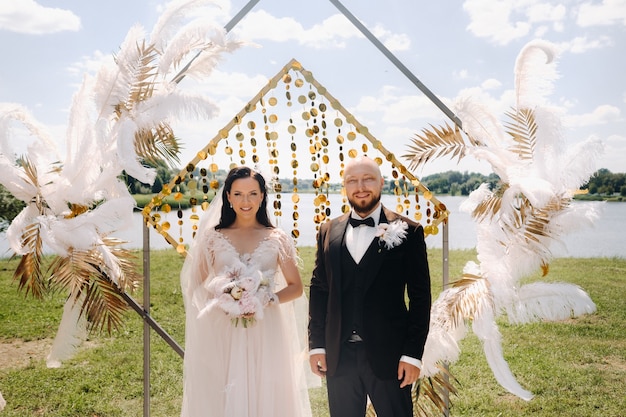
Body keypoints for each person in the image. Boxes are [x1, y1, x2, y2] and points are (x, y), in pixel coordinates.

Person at [180, 166, 313, 417]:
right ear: (228, 197)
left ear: (262, 196)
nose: (246, 201)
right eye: (238, 194)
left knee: (268, 393)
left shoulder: (277, 237)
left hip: (267, 328)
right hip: (223, 329)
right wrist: (223, 299)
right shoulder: (213, 237)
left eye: (253, 193)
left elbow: (295, 287)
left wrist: (268, 298)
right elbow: (194, 285)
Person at [308, 156, 432, 417]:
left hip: (390, 356)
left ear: (382, 183)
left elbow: (420, 298)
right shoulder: (327, 231)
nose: (360, 186)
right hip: (338, 356)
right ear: (344, 186)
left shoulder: (409, 231)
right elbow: (319, 290)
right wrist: (317, 345)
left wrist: (412, 354)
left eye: (368, 179)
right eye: (352, 181)